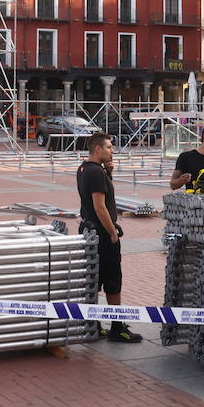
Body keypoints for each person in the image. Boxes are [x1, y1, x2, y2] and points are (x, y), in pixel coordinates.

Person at [77, 132, 141, 343]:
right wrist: (113, 232)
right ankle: (117, 327)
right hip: (102, 235)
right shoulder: (96, 172)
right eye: (109, 147)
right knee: (113, 280)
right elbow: (99, 206)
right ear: (97, 149)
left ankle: (93, 324)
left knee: (94, 278)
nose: (112, 150)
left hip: (89, 231)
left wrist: (109, 173)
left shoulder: (84, 168)